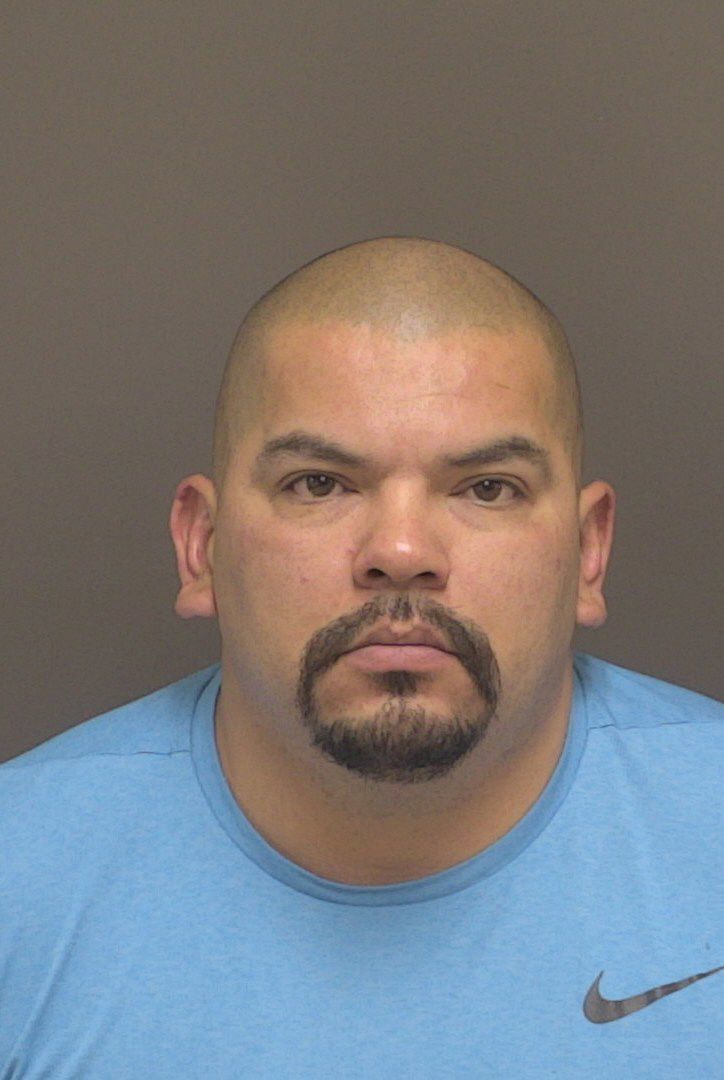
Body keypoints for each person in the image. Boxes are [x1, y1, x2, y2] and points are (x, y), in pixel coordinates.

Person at [1, 237, 721, 1078]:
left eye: (488, 487)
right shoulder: (19, 872)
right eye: (319, 483)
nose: (402, 551)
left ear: (589, 553)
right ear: (202, 546)